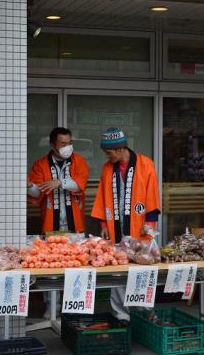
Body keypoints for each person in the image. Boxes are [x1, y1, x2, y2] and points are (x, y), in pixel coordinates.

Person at [91, 127, 161, 320]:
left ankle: (145, 315)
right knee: (118, 272)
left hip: (141, 230)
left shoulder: (146, 164)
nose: (107, 155)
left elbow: (153, 196)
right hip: (116, 228)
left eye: (109, 151)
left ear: (121, 148)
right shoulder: (107, 168)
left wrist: (150, 228)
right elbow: (101, 197)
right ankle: (122, 317)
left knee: (142, 274)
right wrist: (104, 225)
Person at [27, 127, 89, 318]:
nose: (68, 147)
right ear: (53, 144)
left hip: (74, 225)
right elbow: (37, 193)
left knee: (76, 266)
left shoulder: (79, 161)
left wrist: (60, 182)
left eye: (70, 143)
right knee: (50, 267)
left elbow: (80, 183)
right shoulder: (40, 165)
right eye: (63, 144)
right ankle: (51, 306)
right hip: (50, 225)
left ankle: (74, 306)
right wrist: (28, 186)